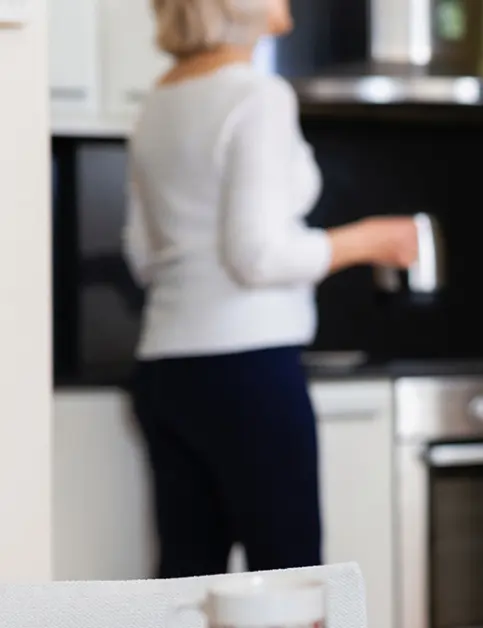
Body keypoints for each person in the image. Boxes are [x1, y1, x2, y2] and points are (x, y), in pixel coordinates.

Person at [122, 0, 418, 577]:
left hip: (165, 368)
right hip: (248, 372)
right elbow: (257, 256)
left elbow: (142, 256)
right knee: (291, 581)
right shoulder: (258, 95)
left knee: (187, 586)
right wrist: (369, 240)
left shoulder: (156, 101)